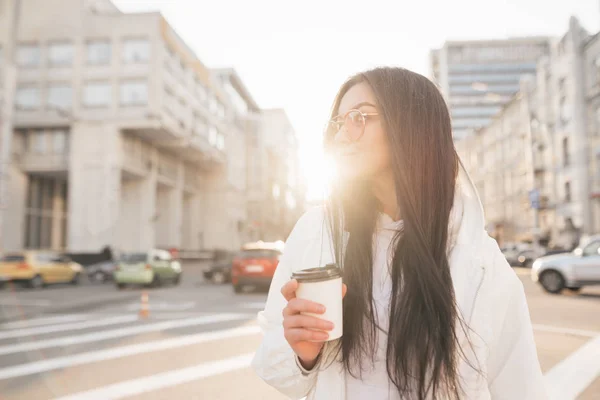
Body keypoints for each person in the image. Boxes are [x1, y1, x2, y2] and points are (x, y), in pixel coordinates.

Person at [252, 67, 547, 399]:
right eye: (338, 122)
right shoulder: (316, 231)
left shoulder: (478, 259)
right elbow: (274, 364)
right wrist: (303, 354)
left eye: (359, 117)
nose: (343, 134)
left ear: (412, 127)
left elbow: (520, 387)